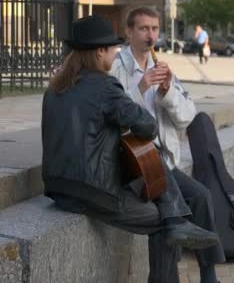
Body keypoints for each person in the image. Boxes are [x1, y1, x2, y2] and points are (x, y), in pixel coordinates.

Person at [42, 15, 220, 283]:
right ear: (99, 51)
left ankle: (177, 220)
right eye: (113, 49)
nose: (115, 54)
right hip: (92, 191)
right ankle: (174, 221)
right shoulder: (105, 85)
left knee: (156, 170)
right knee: (162, 224)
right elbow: (147, 127)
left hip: (58, 187)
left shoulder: (54, 88)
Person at [111, 7, 225, 283]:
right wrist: (139, 88)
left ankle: (208, 275)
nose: (150, 35)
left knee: (201, 196)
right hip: (133, 161)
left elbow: (187, 116)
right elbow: (113, 116)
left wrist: (168, 91)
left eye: (154, 29)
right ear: (129, 32)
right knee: (165, 217)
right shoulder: (116, 67)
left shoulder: (162, 68)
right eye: (143, 28)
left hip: (162, 162)